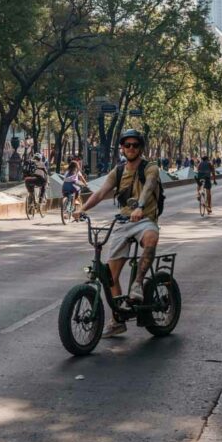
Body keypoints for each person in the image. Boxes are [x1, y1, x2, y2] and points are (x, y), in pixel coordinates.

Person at [79, 129, 162, 338]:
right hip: (123, 222)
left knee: (151, 238)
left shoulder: (150, 168)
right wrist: (82, 209)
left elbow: (149, 187)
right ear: (122, 148)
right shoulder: (117, 171)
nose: (131, 148)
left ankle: (137, 284)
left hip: (144, 219)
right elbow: (100, 192)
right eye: (127, 145)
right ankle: (118, 320)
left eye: (135, 145)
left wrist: (140, 207)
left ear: (141, 148)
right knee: (110, 276)